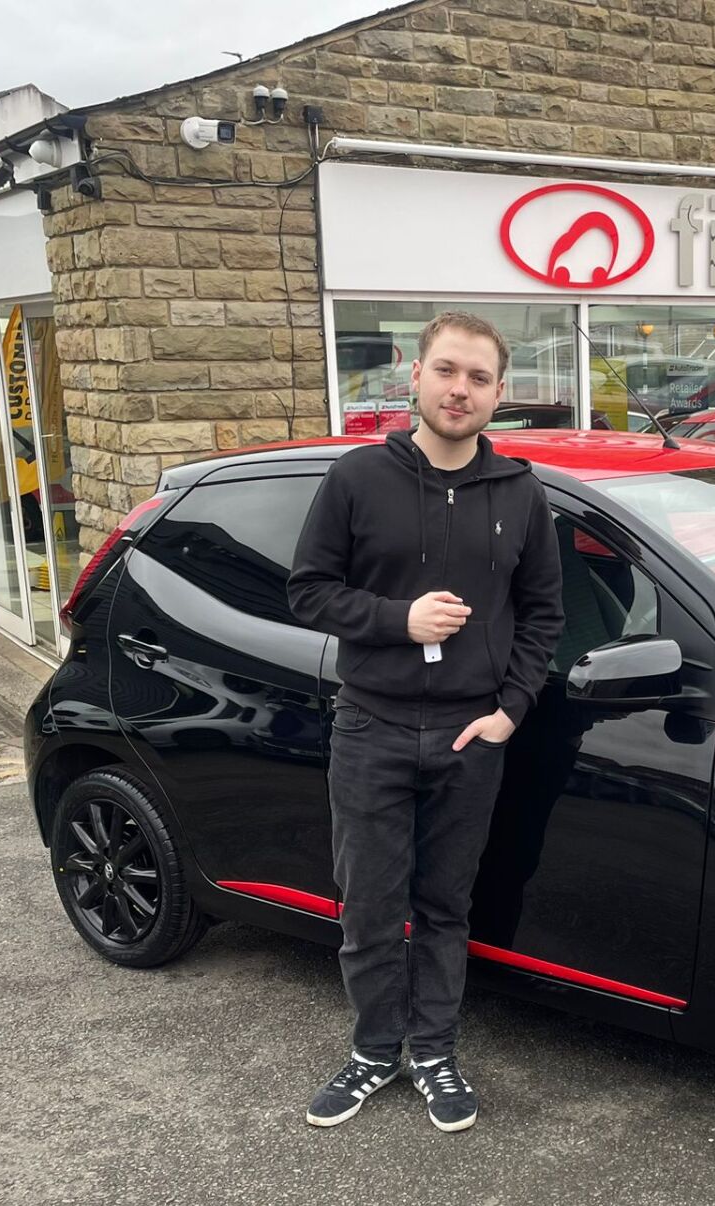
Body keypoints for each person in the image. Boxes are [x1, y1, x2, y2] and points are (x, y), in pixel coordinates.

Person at [287, 311, 564, 1134]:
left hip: (468, 736)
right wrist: (395, 620)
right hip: (370, 726)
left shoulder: (520, 492)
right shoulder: (356, 480)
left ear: (499, 395)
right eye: (447, 371)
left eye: (479, 379)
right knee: (370, 908)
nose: (460, 390)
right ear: (415, 376)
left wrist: (511, 712)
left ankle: (434, 1051)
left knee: (445, 908)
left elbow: (545, 613)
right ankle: (376, 1050)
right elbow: (306, 591)